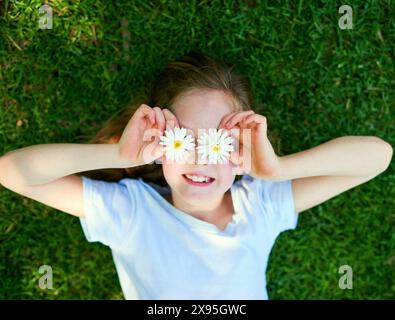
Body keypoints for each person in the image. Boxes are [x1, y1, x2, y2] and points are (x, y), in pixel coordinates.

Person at [0, 51, 392, 299]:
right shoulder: (130, 211)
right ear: (158, 145)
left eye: (220, 143)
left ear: (244, 151)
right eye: (184, 141)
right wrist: (116, 154)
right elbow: (12, 171)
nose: (202, 160)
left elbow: (377, 157)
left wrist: (279, 168)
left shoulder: (261, 204)